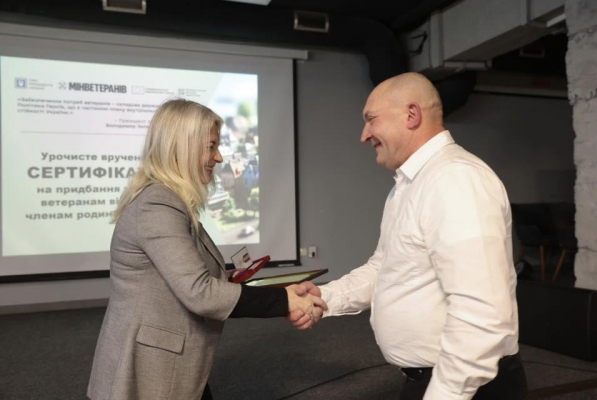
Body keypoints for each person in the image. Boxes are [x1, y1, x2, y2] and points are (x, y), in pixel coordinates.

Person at [289, 72, 527, 399]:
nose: (364, 135)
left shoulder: (455, 179)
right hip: (430, 380)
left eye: (371, 120)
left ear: (411, 115)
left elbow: (481, 312)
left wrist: (443, 394)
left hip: (463, 387)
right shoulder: (411, 184)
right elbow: (385, 267)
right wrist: (324, 297)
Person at [87, 99, 326, 400]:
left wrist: (276, 288)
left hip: (168, 363)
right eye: (211, 147)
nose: (220, 157)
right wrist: (284, 301)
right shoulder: (157, 205)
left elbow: (185, 276)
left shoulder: (170, 201)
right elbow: (199, 292)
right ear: (181, 148)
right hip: (149, 368)